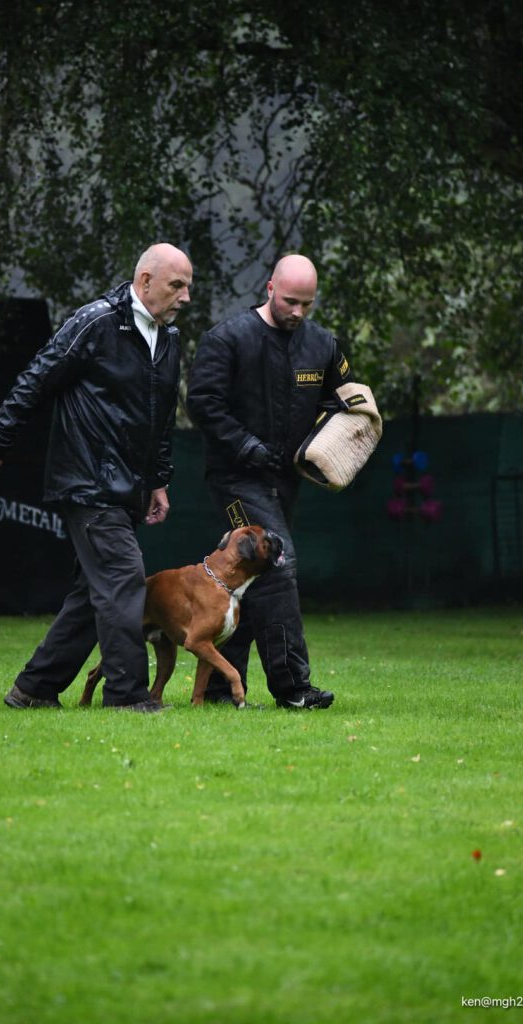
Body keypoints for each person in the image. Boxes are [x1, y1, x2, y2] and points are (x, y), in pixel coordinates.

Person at [0, 242, 193, 712]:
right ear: (145, 282)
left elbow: (159, 419)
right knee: (123, 577)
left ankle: (34, 689)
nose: (186, 297)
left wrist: (157, 480)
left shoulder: (169, 340)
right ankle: (127, 695)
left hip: (127, 486)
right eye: (178, 285)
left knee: (93, 594)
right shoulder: (95, 322)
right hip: (87, 479)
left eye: (189, 287)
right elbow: (38, 378)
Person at [186, 253, 352, 709]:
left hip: (287, 479)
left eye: (308, 304)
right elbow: (202, 403)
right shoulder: (228, 339)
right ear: (270, 288)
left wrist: (340, 440)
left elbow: (347, 400)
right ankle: (294, 687)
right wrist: (246, 446)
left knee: (252, 577)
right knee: (276, 560)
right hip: (234, 477)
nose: (298, 312)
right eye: (291, 301)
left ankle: (221, 689)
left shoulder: (322, 345)